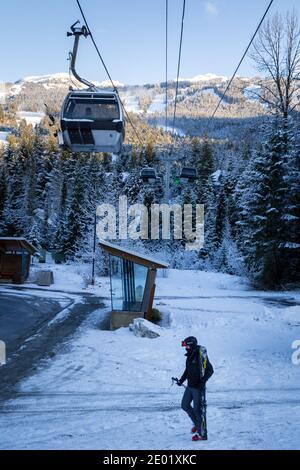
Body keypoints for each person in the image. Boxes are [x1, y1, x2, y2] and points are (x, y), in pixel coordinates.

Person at [176, 336, 214, 441]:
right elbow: (187, 370)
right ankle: (198, 425)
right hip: (190, 386)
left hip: (198, 388)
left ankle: (203, 434)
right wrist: (181, 380)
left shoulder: (200, 356)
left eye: (187, 345)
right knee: (184, 405)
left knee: (198, 410)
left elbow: (210, 370)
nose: (185, 348)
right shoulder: (190, 355)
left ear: (192, 344)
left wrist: (202, 382)